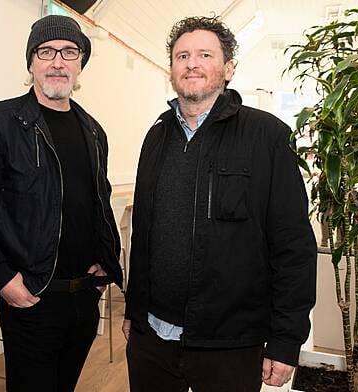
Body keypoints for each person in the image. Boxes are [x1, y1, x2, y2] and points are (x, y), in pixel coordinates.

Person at [122, 16, 317, 391]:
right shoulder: (156, 137)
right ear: (171, 69)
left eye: (204, 54)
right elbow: (143, 236)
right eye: (182, 56)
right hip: (153, 340)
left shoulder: (267, 136)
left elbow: (293, 246)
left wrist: (286, 340)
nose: (191, 63)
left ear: (228, 68)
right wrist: (134, 309)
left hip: (231, 344)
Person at [0, 14, 123, 392]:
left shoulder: (94, 131)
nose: (57, 61)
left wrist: (106, 264)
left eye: (68, 52)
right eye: (46, 52)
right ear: (31, 62)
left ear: (81, 64)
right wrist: (3, 278)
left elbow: (98, 204)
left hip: (83, 299)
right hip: (30, 299)